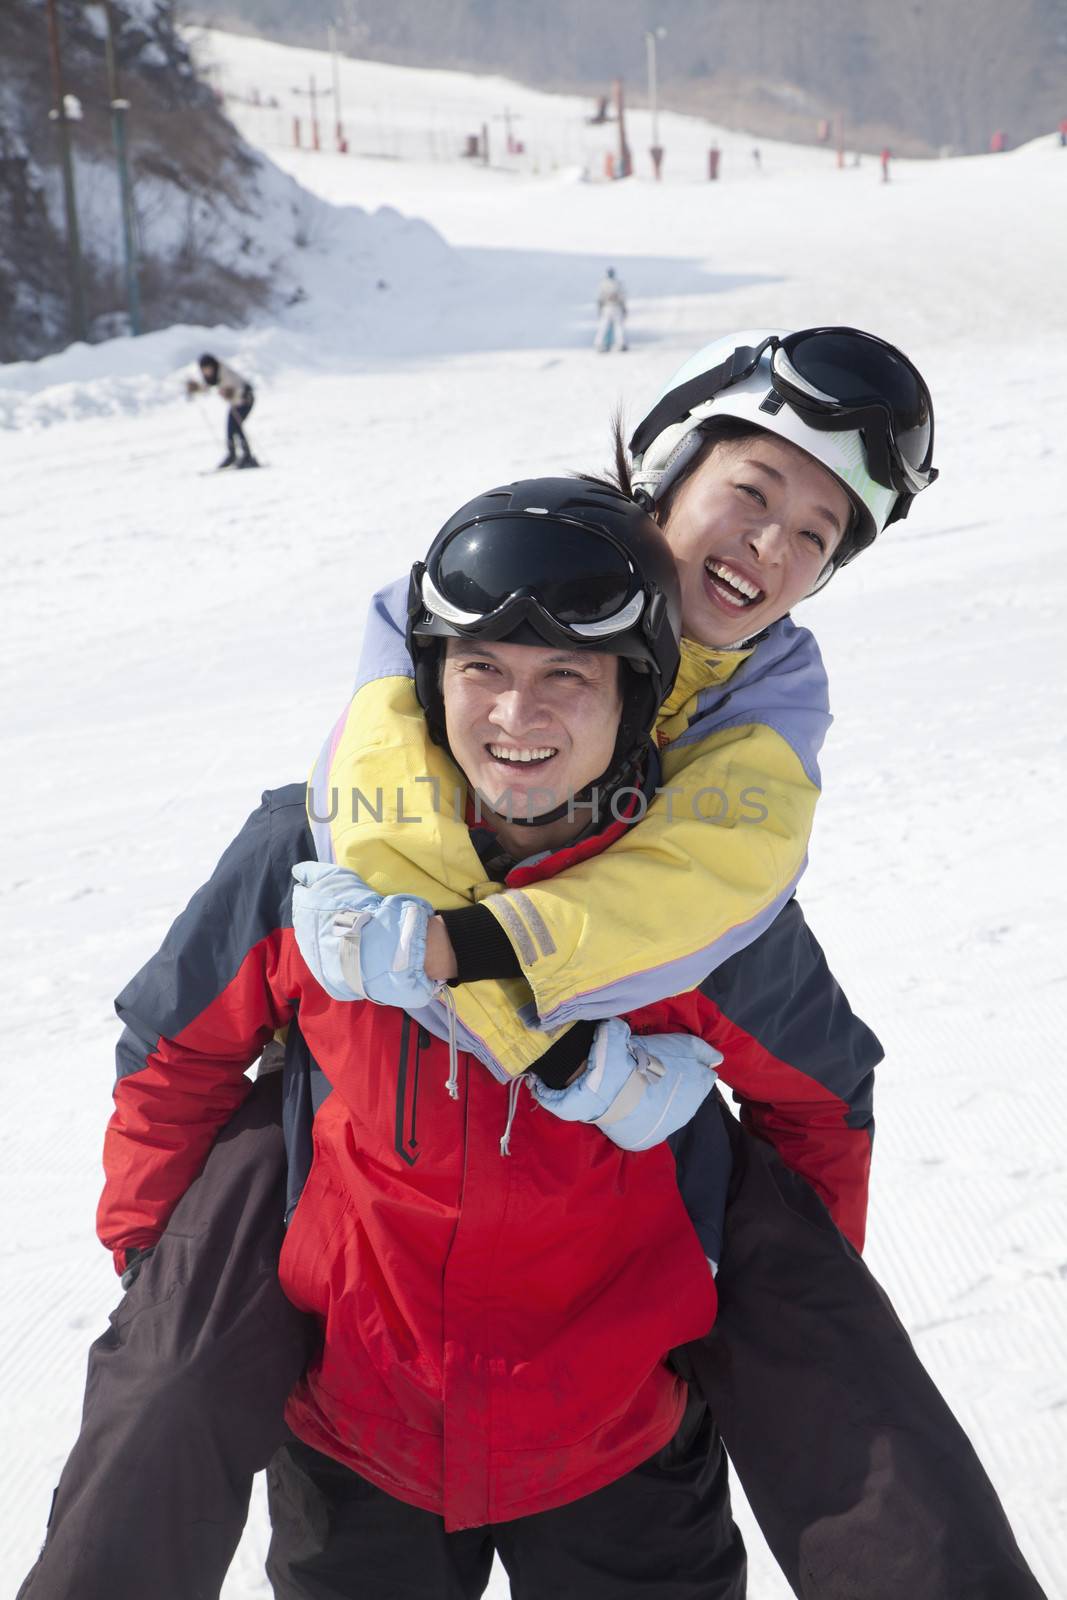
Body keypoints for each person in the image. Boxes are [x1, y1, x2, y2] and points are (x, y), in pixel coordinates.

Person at [186, 351, 258, 470]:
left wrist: (232, 393)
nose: (206, 372)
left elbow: (240, 388)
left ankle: (244, 456)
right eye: (204, 370)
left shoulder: (224, 373)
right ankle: (234, 454)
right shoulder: (214, 375)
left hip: (245, 400)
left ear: (212, 366)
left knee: (236, 426)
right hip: (236, 402)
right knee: (231, 428)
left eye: (207, 368)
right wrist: (196, 388)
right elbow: (207, 387)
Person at [593, 267, 627, 352]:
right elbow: (622, 296)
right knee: (618, 326)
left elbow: (600, 297)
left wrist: (600, 307)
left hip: (607, 307)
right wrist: (623, 307)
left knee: (604, 326)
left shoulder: (603, 283)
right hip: (615, 307)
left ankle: (599, 343)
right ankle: (621, 344)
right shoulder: (618, 283)